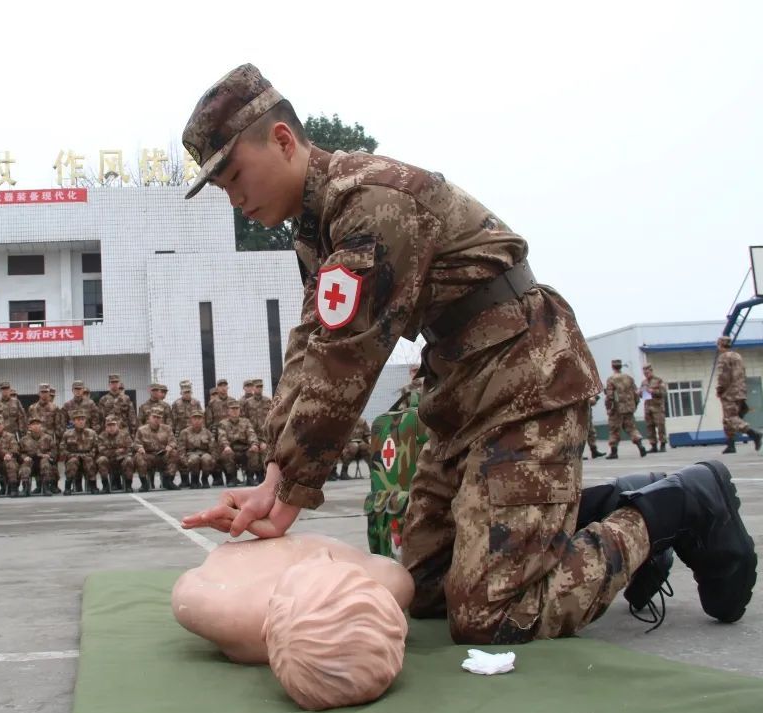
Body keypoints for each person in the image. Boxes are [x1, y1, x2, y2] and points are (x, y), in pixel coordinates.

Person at [179, 63, 756, 642]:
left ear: (281, 140)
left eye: (233, 177)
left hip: (528, 382)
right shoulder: (317, 227)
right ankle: (598, 506)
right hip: (461, 394)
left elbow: (347, 358)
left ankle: (680, 505)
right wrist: (276, 474)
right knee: (425, 587)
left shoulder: (372, 204)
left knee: (493, 616)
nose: (233, 200)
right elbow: (311, 347)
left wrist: (292, 492)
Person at [172, 532, 411, 710]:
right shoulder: (393, 584)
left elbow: (186, 586)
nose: (322, 554)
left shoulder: (226, 609)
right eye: (341, 568)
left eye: (306, 570)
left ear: (267, 626)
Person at [716, 335, 763, 454]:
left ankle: (754, 434)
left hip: (729, 392)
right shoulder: (738, 356)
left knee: (731, 418)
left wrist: (720, 389)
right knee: (727, 419)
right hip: (740, 391)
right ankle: (730, 445)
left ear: (721, 345)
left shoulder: (723, 357)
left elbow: (723, 376)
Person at [605, 359, 647, 459]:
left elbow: (610, 396)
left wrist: (609, 409)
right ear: (621, 366)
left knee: (614, 430)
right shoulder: (629, 378)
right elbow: (636, 394)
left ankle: (614, 452)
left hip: (617, 409)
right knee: (631, 428)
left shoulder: (611, 379)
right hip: (629, 408)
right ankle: (640, 445)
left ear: (612, 366)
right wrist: (635, 405)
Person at [640, 364, 668, 453]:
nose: (646, 374)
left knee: (660, 426)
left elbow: (663, 392)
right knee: (649, 427)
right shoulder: (644, 382)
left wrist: (653, 391)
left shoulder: (658, 380)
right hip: (648, 408)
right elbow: (643, 396)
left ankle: (663, 445)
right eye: (644, 373)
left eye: (647, 372)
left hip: (658, 407)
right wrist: (639, 393)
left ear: (651, 371)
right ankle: (653, 445)